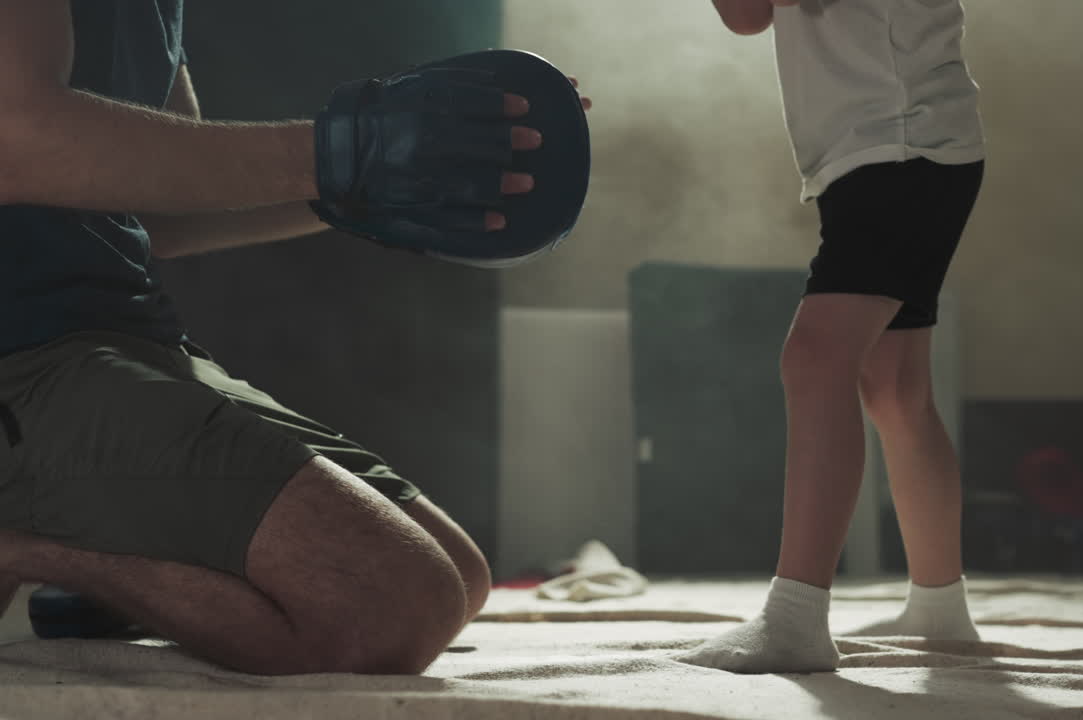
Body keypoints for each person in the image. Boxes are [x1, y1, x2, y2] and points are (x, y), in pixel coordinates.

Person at [0, 0, 586, 675]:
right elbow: (21, 138)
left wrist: (367, 186)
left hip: (117, 337)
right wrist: (347, 149)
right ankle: (23, 543)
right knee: (396, 605)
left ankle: (109, 558)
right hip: (23, 352)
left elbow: (157, 211)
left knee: (458, 574)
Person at [677, 0, 986, 673]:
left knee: (816, 359)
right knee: (896, 387)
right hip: (894, 148)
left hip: (901, 146)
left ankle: (795, 619)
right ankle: (941, 609)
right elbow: (748, 16)